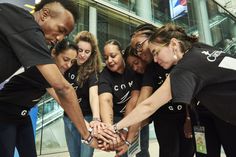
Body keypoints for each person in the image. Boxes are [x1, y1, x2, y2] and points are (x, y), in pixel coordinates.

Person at [110, 23, 236, 154]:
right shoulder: (198, 48)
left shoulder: (184, 68)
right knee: (204, 152)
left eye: (156, 52)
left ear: (174, 44)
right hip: (207, 117)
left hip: (227, 115)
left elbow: (148, 105)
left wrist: (114, 128)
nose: (155, 59)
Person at [0, 0, 97, 151]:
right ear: (45, 14)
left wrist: (88, 126)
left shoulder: (24, 40)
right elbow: (63, 91)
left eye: (65, 34)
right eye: (61, 29)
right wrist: (88, 135)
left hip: (21, 117)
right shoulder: (26, 24)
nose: (60, 38)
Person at [0, 39, 77, 157]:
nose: (68, 65)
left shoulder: (55, 73)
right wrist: (86, 128)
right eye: (66, 59)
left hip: (22, 117)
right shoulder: (43, 71)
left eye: (72, 61)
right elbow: (64, 101)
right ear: (54, 53)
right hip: (4, 115)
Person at [124, 44, 195, 157]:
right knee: (169, 152)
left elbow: (188, 92)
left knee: (188, 151)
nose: (135, 68)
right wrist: (127, 128)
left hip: (186, 114)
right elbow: (136, 100)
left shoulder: (171, 63)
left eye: (136, 63)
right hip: (163, 118)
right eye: (131, 66)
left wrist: (189, 117)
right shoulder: (142, 75)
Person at [99, 39, 143, 157]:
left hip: (137, 114)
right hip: (117, 119)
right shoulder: (104, 76)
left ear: (122, 53)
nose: (109, 61)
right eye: (106, 57)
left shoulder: (133, 67)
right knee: (122, 153)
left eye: (113, 56)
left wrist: (127, 127)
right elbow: (105, 101)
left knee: (141, 152)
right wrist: (110, 130)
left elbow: (134, 99)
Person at [63, 31, 103, 157]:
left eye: (87, 52)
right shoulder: (67, 65)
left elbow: (93, 96)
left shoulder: (92, 72)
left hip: (87, 118)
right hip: (68, 117)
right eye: (80, 50)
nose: (82, 55)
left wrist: (96, 118)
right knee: (74, 154)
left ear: (92, 54)